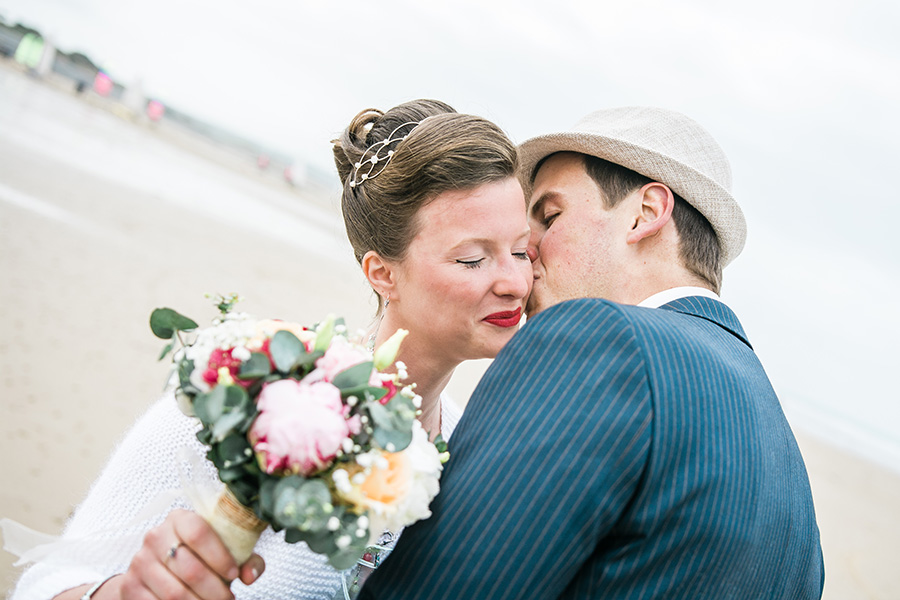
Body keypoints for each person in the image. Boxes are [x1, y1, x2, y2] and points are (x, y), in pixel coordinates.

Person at [9, 99, 533, 600]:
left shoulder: (475, 448)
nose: (514, 282)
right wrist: (127, 591)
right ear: (382, 272)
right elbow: (46, 585)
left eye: (520, 250)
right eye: (472, 260)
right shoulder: (253, 396)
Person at [359, 107, 825, 599]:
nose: (527, 253)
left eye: (550, 216)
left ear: (644, 214)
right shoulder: (795, 488)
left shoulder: (597, 340)